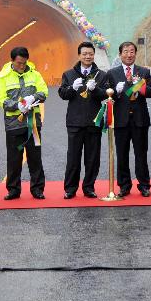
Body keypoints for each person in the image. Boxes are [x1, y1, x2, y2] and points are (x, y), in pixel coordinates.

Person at [0, 46, 49, 200]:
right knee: (14, 158)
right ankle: (13, 189)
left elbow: (44, 92)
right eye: (19, 63)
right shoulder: (2, 76)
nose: (22, 66)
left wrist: (33, 98)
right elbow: (0, 98)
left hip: (33, 125)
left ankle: (37, 189)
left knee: (35, 157)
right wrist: (16, 105)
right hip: (13, 124)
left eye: (24, 63)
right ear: (12, 61)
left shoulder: (35, 74)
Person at [58, 42, 108, 199]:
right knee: (73, 157)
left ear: (94, 55)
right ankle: (70, 188)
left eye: (90, 54)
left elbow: (105, 95)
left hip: (94, 121)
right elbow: (63, 94)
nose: (88, 56)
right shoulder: (69, 74)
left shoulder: (101, 75)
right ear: (79, 55)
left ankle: (89, 187)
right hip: (74, 122)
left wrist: (96, 89)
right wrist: (72, 88)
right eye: (85, 54)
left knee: (92, 157)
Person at [107, 41, 151, 197]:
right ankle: (124, 185)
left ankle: (144, 185)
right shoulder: (112, 73)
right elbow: (108, 94)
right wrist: (116, 90)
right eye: (126, 51)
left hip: (140, 119)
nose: (129, 54)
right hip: (120, 119)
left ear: (136, 53)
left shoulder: (144, 72)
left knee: (141, 153)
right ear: (120, 54)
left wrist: (139, 86)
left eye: (132, 51)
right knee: (122, 154)